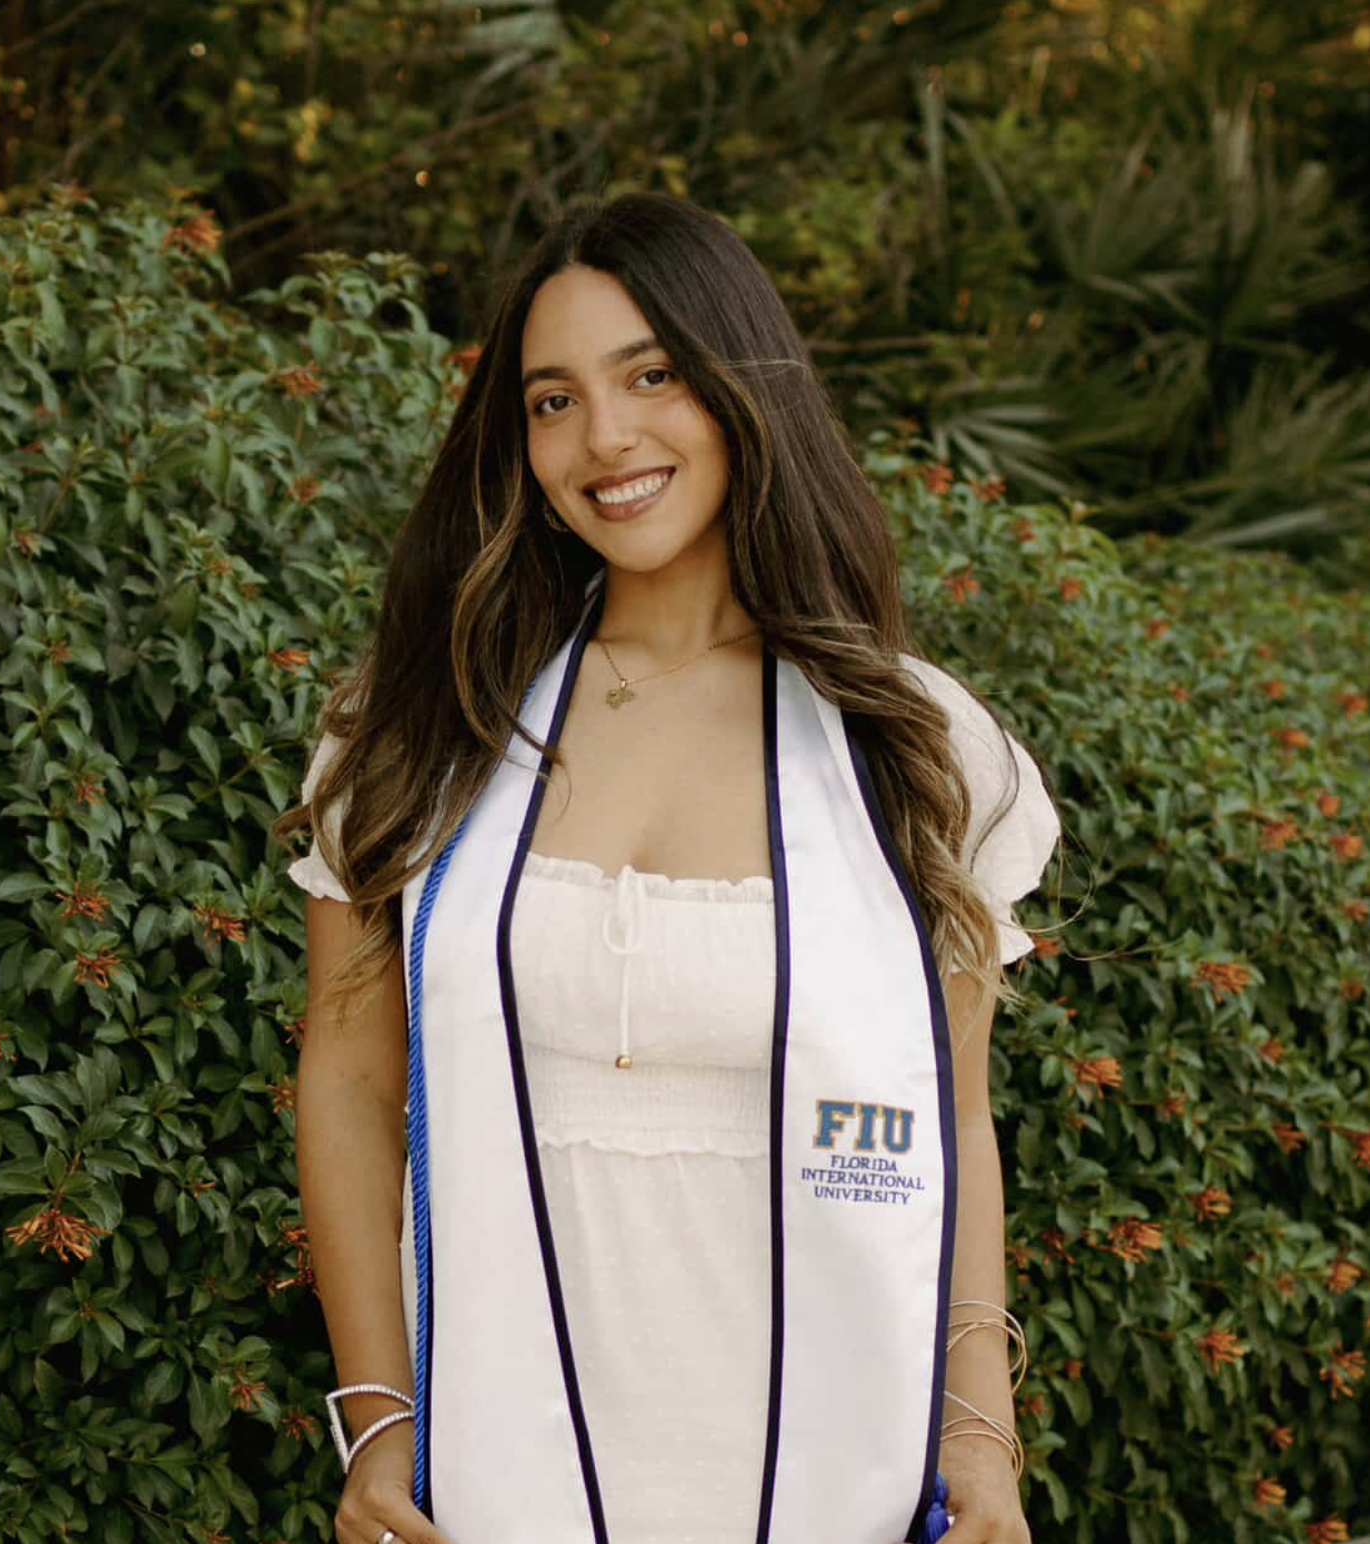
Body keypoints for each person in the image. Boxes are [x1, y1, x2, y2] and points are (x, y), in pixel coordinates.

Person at [280, 190, 1060, 1544]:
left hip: (834, 1482)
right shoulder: (424, 720)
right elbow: (348, 1075)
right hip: (494, 1486)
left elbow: (955, 1122)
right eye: (551, 400)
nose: (605, 438)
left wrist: (976, 1433)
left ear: (739, 381)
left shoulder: (914, 746)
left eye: (650, 374)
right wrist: (378, 1417)